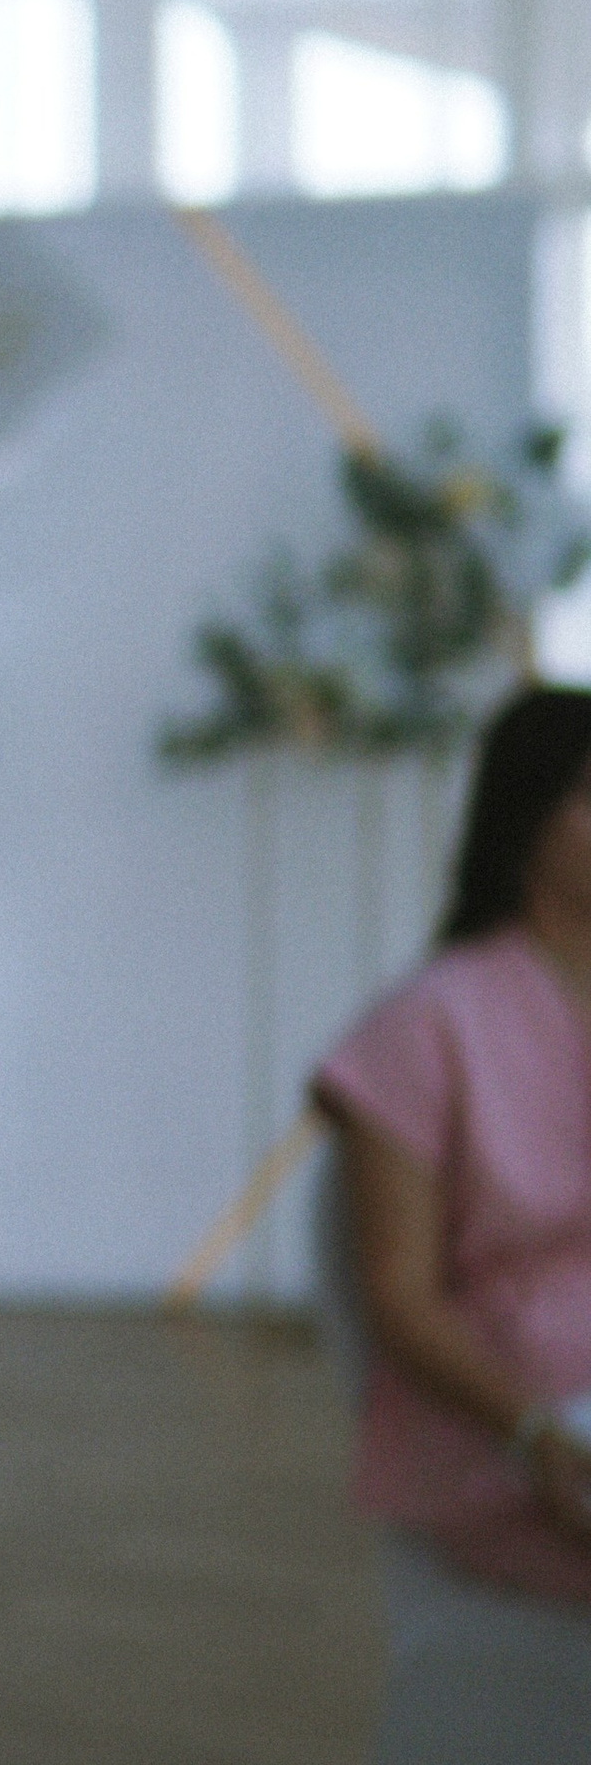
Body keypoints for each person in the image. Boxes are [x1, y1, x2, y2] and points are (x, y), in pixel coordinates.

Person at [314, 681, 591, 1602]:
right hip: (508, 1419)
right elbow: (399, 1298)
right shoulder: (428, 1022)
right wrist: (537, 1435)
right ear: (527, 818)